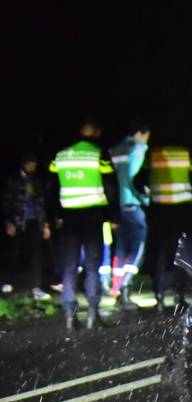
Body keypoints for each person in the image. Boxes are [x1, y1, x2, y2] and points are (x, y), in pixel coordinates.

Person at [50, 117, 116, 330]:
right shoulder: (98, 153)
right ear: (96, 133)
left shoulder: (61, 155)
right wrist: (113, 215)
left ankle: (69, 315)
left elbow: (51, 186)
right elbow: (110, 183)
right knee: (92, 266)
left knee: (69, 267)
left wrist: (55, 215)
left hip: (68, 217)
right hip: (92, 216)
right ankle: (93, 314)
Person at [146, 138, 192, 311]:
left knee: (161, 252)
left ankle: (159, 295)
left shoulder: (153, 155)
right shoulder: (184, 154)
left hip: (159, 210)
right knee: (179, 252)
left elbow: (142, 177)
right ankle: (179, 295)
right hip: (181, 210)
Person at [109, 121, 150, 308]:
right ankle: (125, 288)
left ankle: (116, 289)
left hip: (117, 207)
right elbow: (130, 179)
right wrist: (142, 198)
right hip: (132, 204)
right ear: (141, 133)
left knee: (121, 248)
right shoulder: (137, 148)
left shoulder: (114, 150)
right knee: (138, 247)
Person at [2, 152, 52, 299]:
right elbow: (6, 202)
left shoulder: (36, 180)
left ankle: (36, 287)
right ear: (24, 164)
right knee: (14, 252)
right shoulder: (14, 180)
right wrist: (8, 222)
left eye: (34, 165)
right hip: (17, 221)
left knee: (36, 254)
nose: (32, 167)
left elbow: (41, 204)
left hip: (34, 221)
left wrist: (45, 225)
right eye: (30, 164)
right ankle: (7, 281)